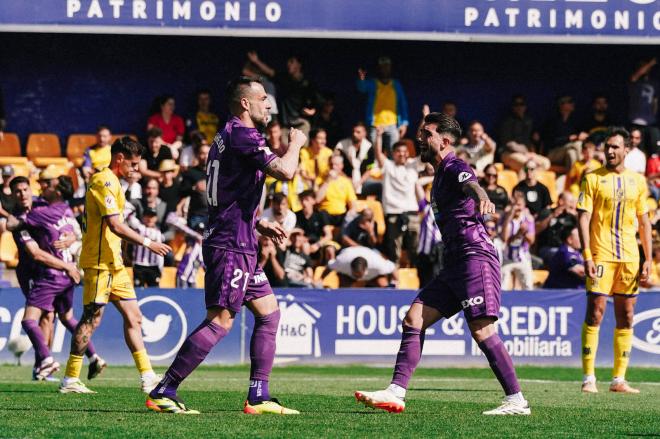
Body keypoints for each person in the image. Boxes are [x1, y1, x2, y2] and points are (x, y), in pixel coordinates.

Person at [147, 76, 305, 415]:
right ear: (245, 103)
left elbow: (227, 192)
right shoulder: (243, 135)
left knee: (269, 313)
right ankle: (164, 389)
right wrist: (296, 143)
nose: (269, 104)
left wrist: (257, 222)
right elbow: (286, 172)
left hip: (240, 238)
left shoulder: (225, 136)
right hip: (230, 244)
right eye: (263, 98)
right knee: (221, 320)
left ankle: (258, 396)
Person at [355, 112, 530, 416]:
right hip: (454, 261)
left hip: (475, 255)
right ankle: (395, 392)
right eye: (421, 132)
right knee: (413, 319)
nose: (420, 139)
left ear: (445, 141)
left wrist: (483, 197)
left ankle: (516, 400)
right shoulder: (437, 174)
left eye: (427, 134)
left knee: (481, 328)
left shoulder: (454, 165)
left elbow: (471, 185)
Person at [57, 137, 171, 394]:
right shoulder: (104, 181)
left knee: (134, 316)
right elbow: (115, 226)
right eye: (132, 164)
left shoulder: (115, 183)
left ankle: (147, 376)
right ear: (119, 159)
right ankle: (70, 379)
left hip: (114, 263)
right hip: (99, 264)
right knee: (91, 318)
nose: (136, 169)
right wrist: (147, 242)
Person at [5, 176, 104, 382]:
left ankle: (45, 362)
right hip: (34, 272)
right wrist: (67, 265)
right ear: (12, 195)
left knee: (52, 317)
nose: (22, 194)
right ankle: (43, 363)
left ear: (30, 190)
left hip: (54, 271)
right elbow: (34, 252)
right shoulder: (19, 221)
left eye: (25, 189)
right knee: (50, 317)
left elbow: (70, 223)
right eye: (17, 191)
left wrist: (72, 237)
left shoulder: (43, 205)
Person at [577, 127, 652, 394]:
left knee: (627, 315)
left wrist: (648, 258)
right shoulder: (592, 179)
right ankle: (589, 378)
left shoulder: (638, 181)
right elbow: (583, 217)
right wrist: (586, 254)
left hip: (630, 257)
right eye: (607, 146)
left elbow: (644, 221)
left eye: (615, 147)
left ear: (626, 150)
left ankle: (618, 380)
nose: (610, 151)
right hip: (600, 255)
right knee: (595, 312)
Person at [247, 52, 320, 141]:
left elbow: (315, 102)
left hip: (300, 123)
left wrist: (312, 110)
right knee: (285, 152)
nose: (288, 64)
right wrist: (256, 61)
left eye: (292, 62)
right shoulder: (284, 78)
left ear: (299, 65)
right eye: (288, 62)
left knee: (301, 151)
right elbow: (270, 72)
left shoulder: (307, 84)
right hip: (285, 126)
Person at [375, 130, 420, 265]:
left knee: (415, 249)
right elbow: (378, 153)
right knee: (394, 250)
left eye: (404, 151)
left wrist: (425, 121)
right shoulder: (388, 166)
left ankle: (418, 278)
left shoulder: (413, 165)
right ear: (392, 153)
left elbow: (424, 146)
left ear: (408, 153)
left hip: (412, 214)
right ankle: (395, 281)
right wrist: (378, 136)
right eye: (398, 151)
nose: (402, 154)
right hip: (393, 214)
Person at [357, 56, 409, 153]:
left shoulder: (396, 84)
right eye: (382, 66)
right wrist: (361, 79)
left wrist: (404, 124)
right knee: (375, 154)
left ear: (390, 68)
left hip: (393, 125)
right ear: (378, 68)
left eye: (387, 66)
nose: (385, 69)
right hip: (375, 125)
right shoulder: (373, 83)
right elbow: (362, 88)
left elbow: (403, 104)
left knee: (393, 154)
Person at [498, 95, 549, 172]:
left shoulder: (529, 120)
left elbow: (534, 140)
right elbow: (509, 144)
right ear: (513, 107)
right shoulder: (507, 121)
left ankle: (532, 181)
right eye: (516, 105)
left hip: (526, 154)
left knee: (546, 163)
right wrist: (526, 152)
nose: (519, 107)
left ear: (525, 106)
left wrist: (535, 142)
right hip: (508, 153)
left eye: (521, 104)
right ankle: (525, 182)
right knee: (529, 165)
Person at [501, 194, 535, 290]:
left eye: (519, 205)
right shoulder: (505, 218)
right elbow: (504, 238)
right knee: (502, 286)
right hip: (506, 257)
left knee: (528, 286)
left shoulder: (528, 219)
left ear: (524, 206)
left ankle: (528, 303)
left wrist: (524, 233)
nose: (516, 207)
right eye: (514, 205)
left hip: (522, 256)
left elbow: (531, 240)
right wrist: (518, 233)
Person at [295, 190, 336, 262]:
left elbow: (329, 235)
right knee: (305, 246)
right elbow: (296, 234)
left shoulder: (321, 214)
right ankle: (307, 269)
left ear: (313, 201)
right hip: (303, 244)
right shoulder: (296, 215)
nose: (304, 202)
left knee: (330, 250)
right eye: (302, 200)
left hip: (319, 243)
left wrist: (317, 245)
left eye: (307, 200)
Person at [127, 208, 165, 288]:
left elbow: (160, 253)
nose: (150, 219)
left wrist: (160, 268)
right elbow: (129, 216)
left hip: (154, 266)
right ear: (143, 217)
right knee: (138, 290)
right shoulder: (139, 228)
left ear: (156, 218)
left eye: (152, 216)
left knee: (154, 291)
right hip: (139, 265)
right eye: (147, 216)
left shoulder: (158, 233)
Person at [316, 154, 357, 226]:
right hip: (325, 215)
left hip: (341, 215)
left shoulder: (346, 182)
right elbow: (317, 199)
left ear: (341, 166)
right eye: (331, 164)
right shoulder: (320, 180)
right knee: (322, 214)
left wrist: (351, 212)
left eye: (336, 165)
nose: (333, 167)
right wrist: (327, 181)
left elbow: (352, 203)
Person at [628, 57, 658, 154]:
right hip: (636, 122)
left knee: (653, 149)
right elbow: (634, 77)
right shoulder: (635, 82)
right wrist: (651, 63)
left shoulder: (653, 83)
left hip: (650, 122)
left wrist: (653, 115)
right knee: (638, 150)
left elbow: (655, 101)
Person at [335, 122, 374, 193]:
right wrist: (348, 180)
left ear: (364, 133)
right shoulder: (341, 146)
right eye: (353, 131)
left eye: (358, 132)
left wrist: (359, 182)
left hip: (363, 180)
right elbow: (335, 166)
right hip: (344, 179)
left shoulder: (369, 147)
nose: (354, 134)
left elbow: (370, 169)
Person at [328, 246, 395, 287]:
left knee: (383, 284)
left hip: (372, 275)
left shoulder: (378, 264)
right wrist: (321, 279)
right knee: (343, 284)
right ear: (351, 268)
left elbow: (393, 267)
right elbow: (329, 265)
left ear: (365, 269)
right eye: (355, 275)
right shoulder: (342, 262)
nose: (358, 278)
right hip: (348, 276)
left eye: (359, 275)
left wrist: (395, 281)